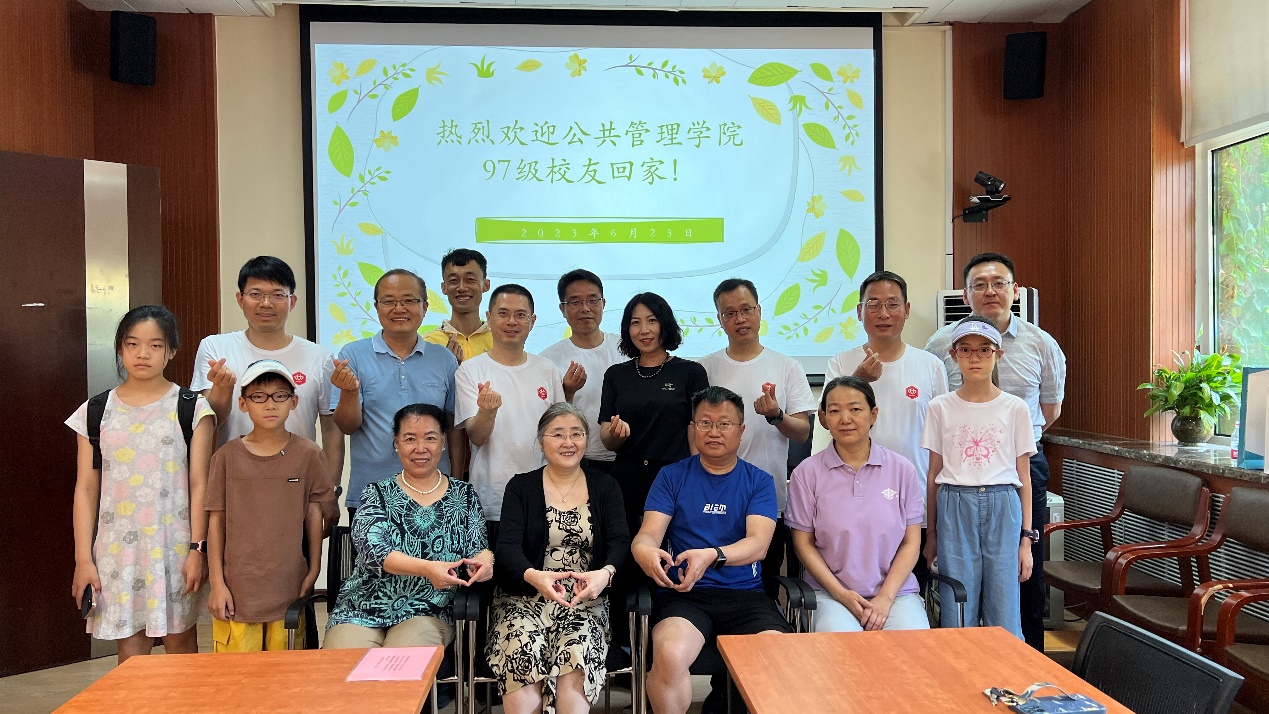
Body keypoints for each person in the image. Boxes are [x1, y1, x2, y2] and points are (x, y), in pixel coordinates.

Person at [924, 253, 1065, 650]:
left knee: (1021, 581)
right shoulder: (938, 345)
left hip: (1016, 475)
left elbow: (1050, 409)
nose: (990, 291)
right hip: (956, 492)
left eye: (999, 283)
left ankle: (1025, 660)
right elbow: (937, 446)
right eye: (980, 284)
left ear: (1015, 290)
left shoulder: (1041, 344)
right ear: (965, 293)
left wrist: (1004, 444)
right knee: (959, 594)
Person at [67, 305, 215, 664]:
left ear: (171, 351)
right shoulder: (95, 411)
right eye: (132, 344)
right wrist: (83, 559)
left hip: (174, 549)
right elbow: (85, 489)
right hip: (118, 552)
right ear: (120, 349)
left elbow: (200, 484)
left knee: (181, 647)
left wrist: (197, 550)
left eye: (155, 345)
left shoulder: (192, 407)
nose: (142, 354)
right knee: (131, 653)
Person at [631, 386, 791, 714]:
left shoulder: (759, 481)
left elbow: (758, 545)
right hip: (685, 595)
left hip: (745, 595)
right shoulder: (671, 476)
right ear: (693, 428)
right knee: (670, 652)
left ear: (741, 430)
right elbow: (647, 534)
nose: (714, 432)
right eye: (705, 423)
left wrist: (711, 555)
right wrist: (644, 552)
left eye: (724, 424)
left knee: (779, 654)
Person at [487, 402, 630, 714]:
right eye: (558, 434)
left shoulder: (605, 486)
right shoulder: (521, 486)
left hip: (584, 601)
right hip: (523, 598)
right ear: (541, 442)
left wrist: (605, 574)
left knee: (575, 665)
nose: (568, 442)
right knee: (522, 658)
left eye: (576, 434)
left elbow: (621, 542)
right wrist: (534, 576)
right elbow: (507, 548)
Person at [325, 403, 493, 649]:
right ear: (396, 443)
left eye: (430, 438)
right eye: (410, 438)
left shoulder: (464, 495)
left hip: (428, 609)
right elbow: (374, 552)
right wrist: (427, 568)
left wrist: (486, 561)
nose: (420, 448)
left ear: (443, 442)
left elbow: (478, 547)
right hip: (362, 607)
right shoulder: (376, 493)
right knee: (344, 661)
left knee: (401, 663)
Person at [190, 256, 342, 528]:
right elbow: (209, 423)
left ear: (292, 301)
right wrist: (223, 389)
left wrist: (330, 489)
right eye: (256, 294)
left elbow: (332, 430)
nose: (266, 303)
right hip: (235, 483)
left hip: (298, 486)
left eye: (277, 295)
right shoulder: (216, 349)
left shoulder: (319, 357)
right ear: (240, 299)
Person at [826, 270, 947, 588]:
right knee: (853, 591)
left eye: (892, 304)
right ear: (859, 311)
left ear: (906, 310)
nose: (883, 313)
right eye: (874, 304)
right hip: (853, 502)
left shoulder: (930, 366)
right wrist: (857, 380)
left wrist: (934, 525)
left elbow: (942, 443)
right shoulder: (841, 363)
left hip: (914, 503)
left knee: (910, 593)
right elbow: (828, 421)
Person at [205, 360, 333, 651]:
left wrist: (313, 570)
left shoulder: (309, 454)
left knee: (286, 670)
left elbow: (314, 514)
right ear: (243, 403)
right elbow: (216, 522)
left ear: (294, 401)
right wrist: (217, 584)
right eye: (259, 396)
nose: (270, 404)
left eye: (280, 395)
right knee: (238, 673)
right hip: (237, 590)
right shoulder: (225, 457)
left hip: (289, 588)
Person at [921, 317, 1036, 638]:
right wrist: (932, 534)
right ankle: (958, 664)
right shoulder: (939, 407)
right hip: (954, 503)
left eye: (984, 350)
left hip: (1003, 503)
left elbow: (1024, 478)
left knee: (1004, 599)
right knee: (958, 599)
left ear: (998, 355)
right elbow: (933, 475)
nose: (975, 358)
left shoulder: (1015, 408)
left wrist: (1026, 540)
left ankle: (1006, 665)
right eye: (966, 350)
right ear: (953, 355)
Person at [787, 376, 927, 632]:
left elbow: (911, 542)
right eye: (834, 411)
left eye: (855, 409)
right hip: (829, 594)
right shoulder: (806, 473)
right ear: (823, 418)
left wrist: (885, 598)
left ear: (873, 414)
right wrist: (841, 594)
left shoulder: (902, 469)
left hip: (896, 593)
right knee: (842, 646)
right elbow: (803, 544)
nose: (845, 419)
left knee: (913, 644)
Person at [699, 278, 814, 582]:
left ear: (759, 311)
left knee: (765, 581)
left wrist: (777, 416)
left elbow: (802, 432)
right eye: (730, 313)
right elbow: (694, 432)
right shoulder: (704, 368)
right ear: (719, 319)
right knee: (712, 576)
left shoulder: (787, 367)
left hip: (767, 498)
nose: (740, 319)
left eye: (746, 310)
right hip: (714, 495)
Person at [330, 269, 461, 519]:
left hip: (435, 492)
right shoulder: (353, 355)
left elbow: (454, 428)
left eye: (409, 300)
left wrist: (455, 484)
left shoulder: (444, 359)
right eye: (388, 301)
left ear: (425, 307)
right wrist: (349, 392)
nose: (399, 309)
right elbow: (347, 426)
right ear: (376, 307)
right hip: (371, 494)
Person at [454, 284, 563, 539]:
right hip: (490, 498)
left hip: (542, 497)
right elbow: (476, 437)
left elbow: (559, 433)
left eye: (520, 315)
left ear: (532, 321)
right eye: (503, 313)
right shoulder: (470, 370)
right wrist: (487, 411)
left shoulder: (547, 369)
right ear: (489, 318)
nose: (511, 321)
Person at [598, 292, 710, 538]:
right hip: (626, 480)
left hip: (675, 478)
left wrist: (701, 478)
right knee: (626, 550)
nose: (644, 330)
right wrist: (616, 435)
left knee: (675, 550)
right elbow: (607, 438)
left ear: (665, 323)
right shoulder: (616, 375)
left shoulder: (691, 372)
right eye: (635, 322)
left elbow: (697, 430)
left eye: (652, 320)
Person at [538, 269, 624, 476]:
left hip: (626, 457)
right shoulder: (547, 359)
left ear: (603, 303)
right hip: (574, 460)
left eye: (592, 300)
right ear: (562, 309)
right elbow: (543, 420)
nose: (585, 308)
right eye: (575, 302)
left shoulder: (626, 349)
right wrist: (567, 393)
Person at [423, 248, 493, 363]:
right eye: (453, 280)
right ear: (444, 288)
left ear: (486, 285)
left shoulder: (500, 342)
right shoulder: (427, 344)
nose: (462, 288)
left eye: (470, 279)